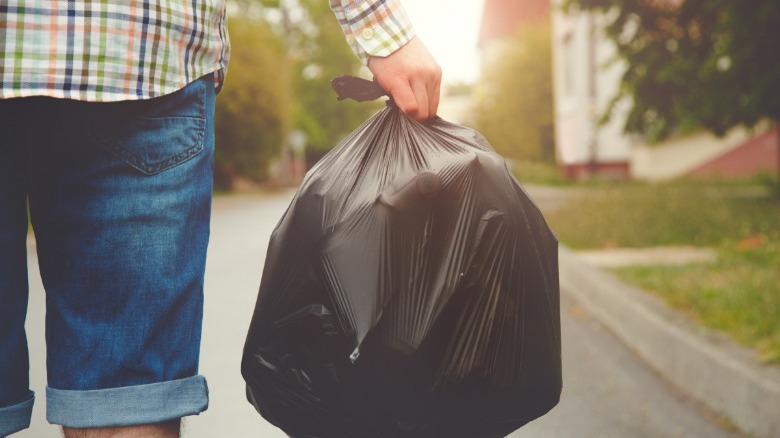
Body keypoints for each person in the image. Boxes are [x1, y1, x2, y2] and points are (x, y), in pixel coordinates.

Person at [0, 0, 440, 436]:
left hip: (140, 67)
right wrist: (384, 30)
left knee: (132, 400)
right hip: (141, 52)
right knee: (128, 404)